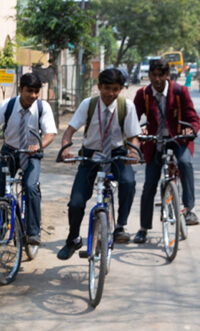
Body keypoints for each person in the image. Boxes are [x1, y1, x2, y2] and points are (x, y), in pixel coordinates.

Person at [56, 68, 141, 260]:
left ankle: (120, 226)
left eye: (116, 89)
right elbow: (69, 131)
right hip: (91, 155)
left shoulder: (126, 107)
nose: (111, 93)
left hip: (117, 154)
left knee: (128, 182)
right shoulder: (89, 104)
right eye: (107, 88)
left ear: (121, 89)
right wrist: (65, 149)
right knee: (76, 202)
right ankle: (73, 239)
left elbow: (134, 137)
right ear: (99, 86)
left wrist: (134, 151)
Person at [0, 73, 57, 245]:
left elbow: (50, 133)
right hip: (10, 151)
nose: (33, 96)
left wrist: (38, 145)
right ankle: (3, 224)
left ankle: (33, 232)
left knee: (30, 187)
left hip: (32, 153)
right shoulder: (8, 105)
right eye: (29, 91)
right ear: (20, 89)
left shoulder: (43, 108)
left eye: (36, 92)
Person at [131, 59, 200, 244]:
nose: (156, 79)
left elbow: (193, 118)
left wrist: (190, 130)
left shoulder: (180, 91)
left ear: (167, 75)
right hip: (155, 142)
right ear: (149, 76)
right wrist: (139, 132)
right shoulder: (143, 94)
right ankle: (143, 228)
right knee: (149, 186)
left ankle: (188, 209)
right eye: (153, 75)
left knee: (185, 163)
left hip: (178, 140)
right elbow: (132, 120)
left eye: (160, 75)